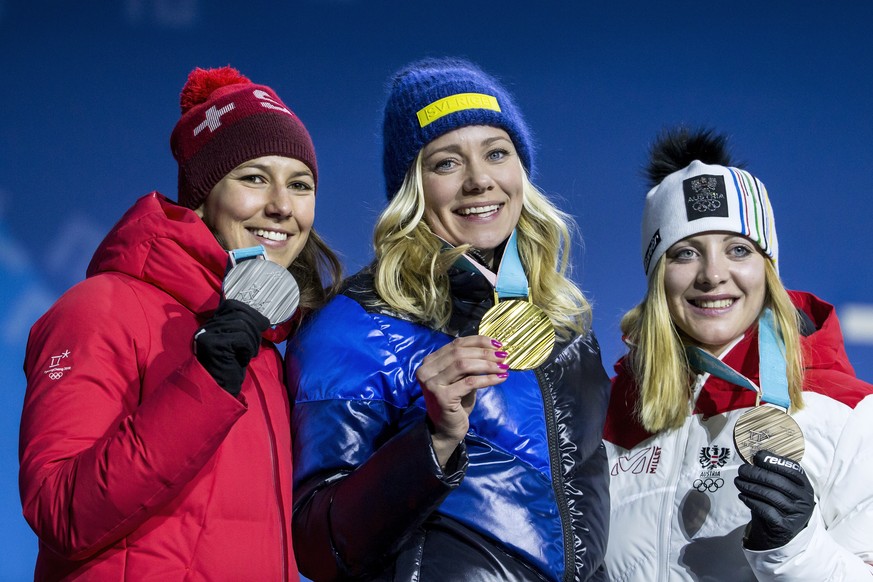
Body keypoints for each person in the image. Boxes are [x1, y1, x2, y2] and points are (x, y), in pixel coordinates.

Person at [286, 57, 611, 582]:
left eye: (497, 153)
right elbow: (316, 546)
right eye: (446, 163)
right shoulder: (355, 325)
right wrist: (433, 440)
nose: (480, 181)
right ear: (411, 187)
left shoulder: (567, 326)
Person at [19, 66, 341, 580]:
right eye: (254, 178)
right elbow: (60, 512)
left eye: (299, 184)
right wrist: (203, 388)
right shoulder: (99, 308)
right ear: (202, 194)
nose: (282, 206)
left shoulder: (268, 350)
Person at [603, 127, 873, 580]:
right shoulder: (608, 415)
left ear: (767, 270)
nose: (713, 274)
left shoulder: (848, 414)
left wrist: (795, 548)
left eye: (738, 249)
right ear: (656, 277)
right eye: (685, 253)